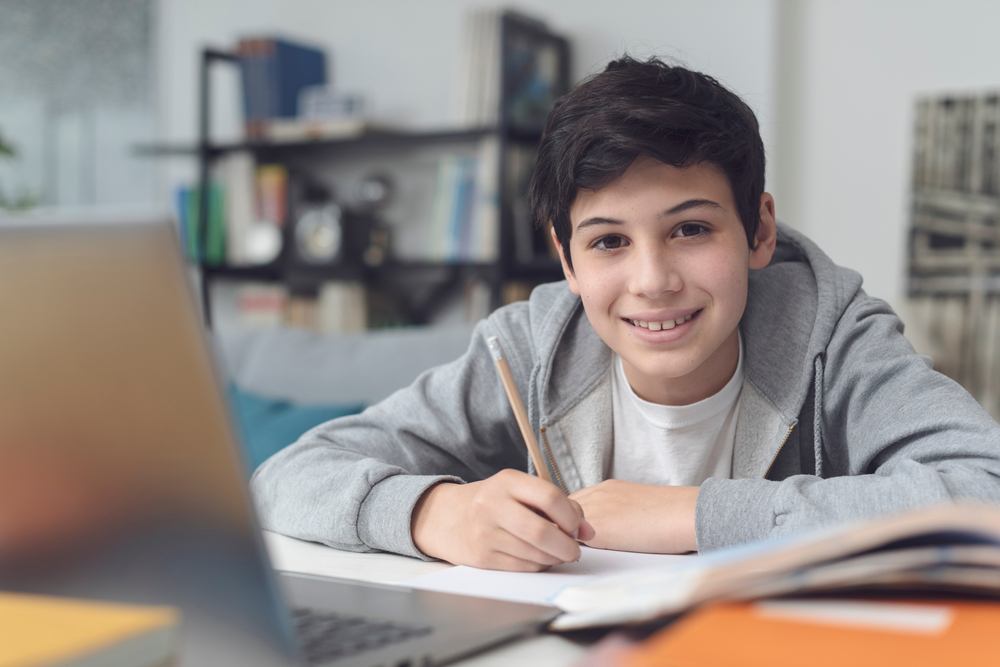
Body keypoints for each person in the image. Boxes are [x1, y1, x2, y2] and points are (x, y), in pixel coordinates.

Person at [250, 56, 1000, 572]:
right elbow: (283, 477)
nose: (652, 281)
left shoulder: (838, 336)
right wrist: (434, 514)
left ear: (759, 231)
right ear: (567, 260)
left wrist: (688, 515)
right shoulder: (526, 346)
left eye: (691, 229)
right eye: (609, 241)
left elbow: (985, 492)